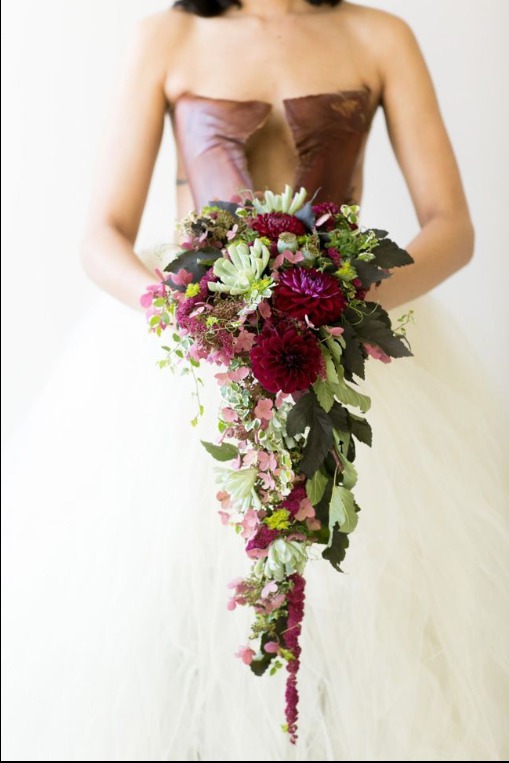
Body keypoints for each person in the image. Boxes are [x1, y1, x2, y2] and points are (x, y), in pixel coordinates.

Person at [2, 2, 508, 760]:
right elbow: (101, 231)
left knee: (359, 614)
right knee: (171, 619)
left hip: (341, 342)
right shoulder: (169, 35)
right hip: (187, 368)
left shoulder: (378, 36)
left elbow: (451, 225)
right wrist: (185, 315)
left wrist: (345, 304)